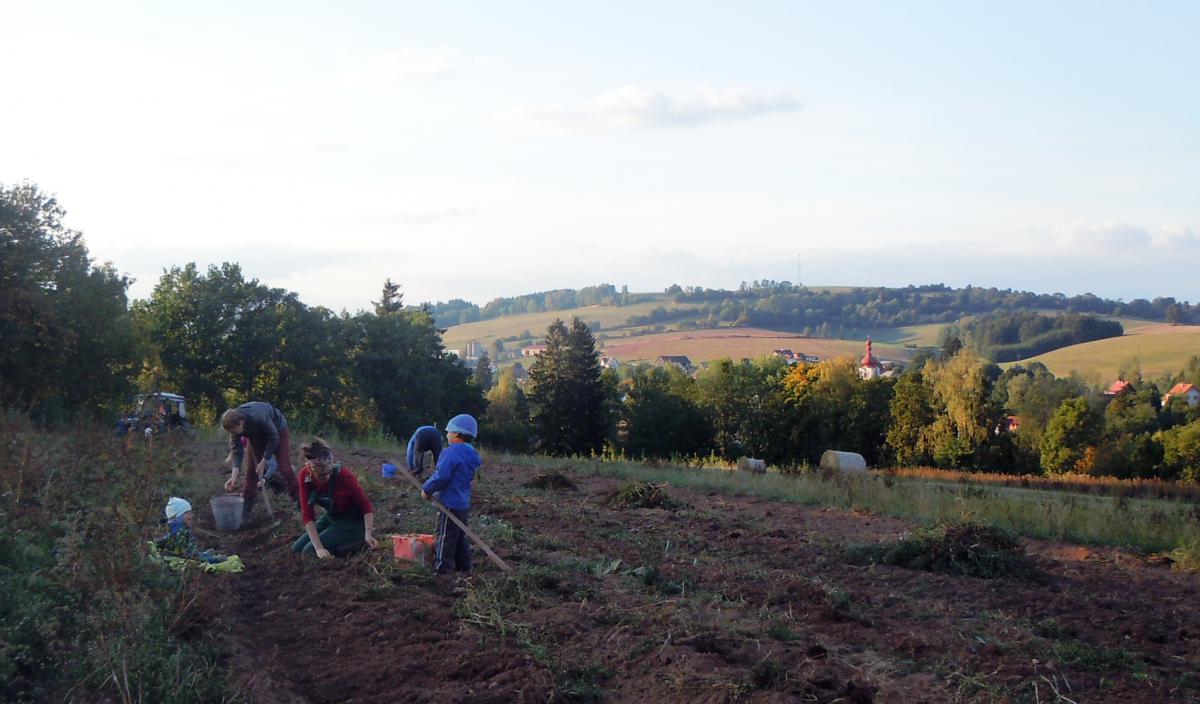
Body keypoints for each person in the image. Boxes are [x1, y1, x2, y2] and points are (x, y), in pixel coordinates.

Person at [292, 438, 378, 559]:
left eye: (328, 473)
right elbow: (307, 515)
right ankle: (331, 542)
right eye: (321, 475)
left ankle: (355, 545)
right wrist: (319, 547)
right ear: (311, 470)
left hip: (353, 522)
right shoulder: (305, 477)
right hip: (331, 517)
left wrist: (368, 533)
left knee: (308, 552)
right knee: (296, 549)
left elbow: (366, 507)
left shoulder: (344, 476)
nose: (326, 477)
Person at [421, 414, 481, 574]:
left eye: (448, 432)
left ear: (456, 434)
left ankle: (443, 568)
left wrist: (427, 489)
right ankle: (464, 566)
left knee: (444, 536)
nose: (446, 435)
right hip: (462, 502)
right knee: (460, 537)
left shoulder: (451, 453)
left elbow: (442, 476)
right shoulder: (472, 455)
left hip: (449, 502)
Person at [222, 401, 299, 519]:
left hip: (278, 431)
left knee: (285, 469)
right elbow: (237, 452)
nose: (233, 434)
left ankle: (300, 502)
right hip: (256, 436)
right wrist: (233, 476)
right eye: (231, 432)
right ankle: (245, 510)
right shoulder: (235, 427)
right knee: (251, 472)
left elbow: (273, 437)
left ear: (241, 422)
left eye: (234, 430)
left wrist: (264, 461)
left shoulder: (258, 417)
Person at [156, 497, 230, 565]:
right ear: (177, 516)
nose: (191, 515)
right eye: (186, 513)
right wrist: (215, 560)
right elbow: (191, 556)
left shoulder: (173, 528)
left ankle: (204, 554)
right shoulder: (179, 533)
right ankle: (206, 556)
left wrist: (203, 554)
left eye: (190, 512)